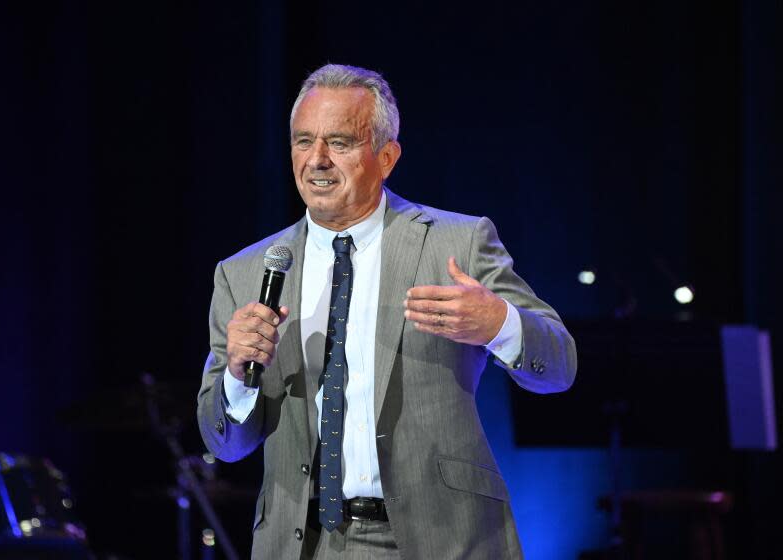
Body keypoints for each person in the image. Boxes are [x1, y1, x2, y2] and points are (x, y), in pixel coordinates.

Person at [198, 63, 576, 559]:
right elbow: (222, 441)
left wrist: (499, 323)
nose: (317, 160)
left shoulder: (457, 242)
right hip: (302, 543)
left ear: (387, 156)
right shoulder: (244, 272)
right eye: (303, 141)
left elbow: (560, 367)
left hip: (438, 537)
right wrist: (238, 378)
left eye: (339, 142)